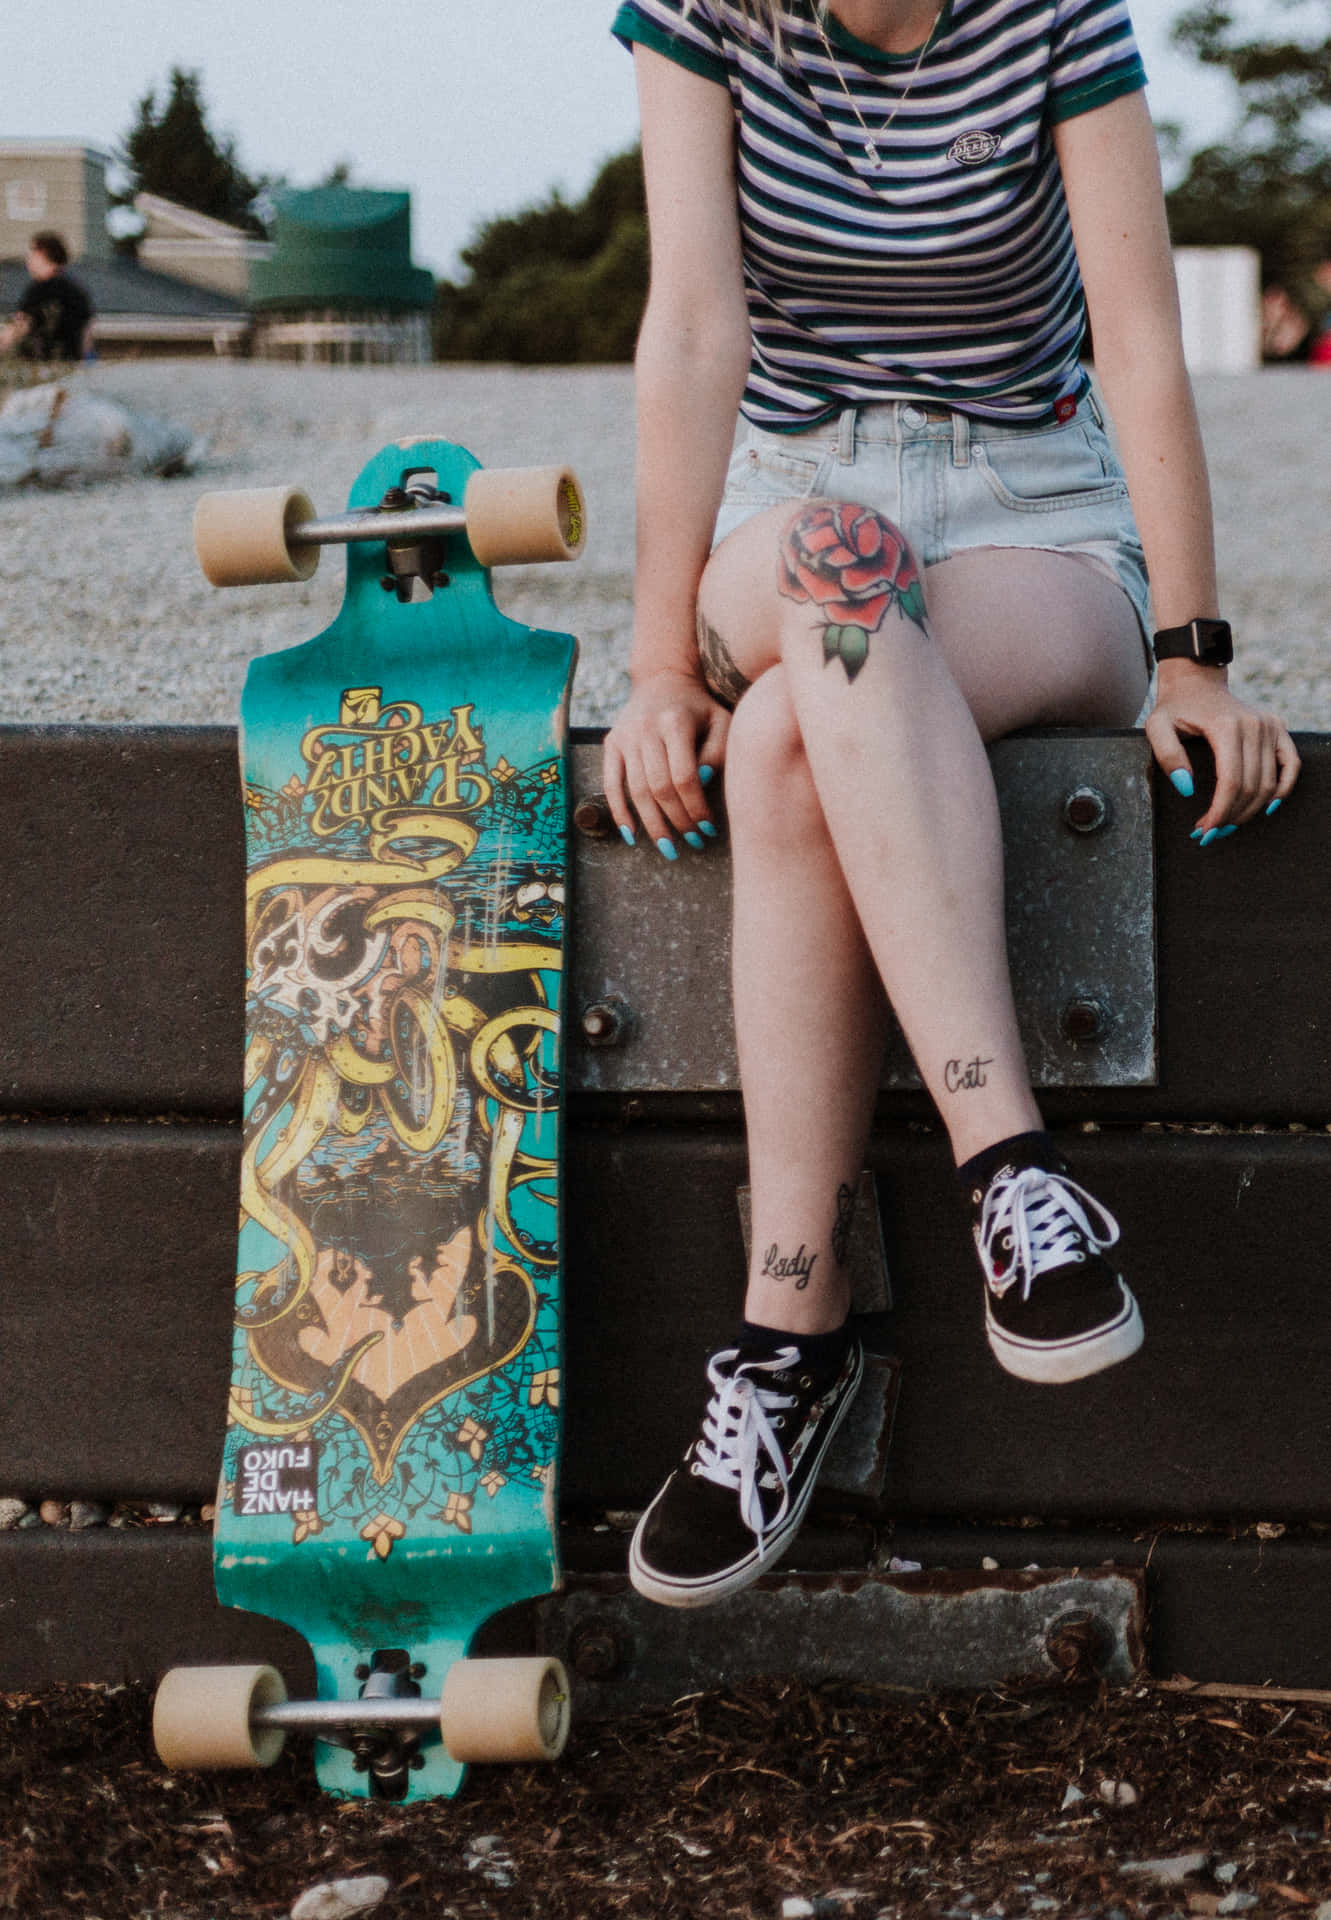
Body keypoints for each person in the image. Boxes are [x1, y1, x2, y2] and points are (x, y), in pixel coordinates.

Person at [602, 0, 1301, 1610]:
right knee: (829, 585)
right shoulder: (704, 21)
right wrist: (652, 665)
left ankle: (788, 1330)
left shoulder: (1056, 19)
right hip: (793, 506)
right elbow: (696, 325)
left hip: (1030, 512)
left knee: (785, 738)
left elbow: (1132, 336)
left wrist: (1191, 657)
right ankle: (1010, 1176)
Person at [0, 232, 95, 363]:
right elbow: (86, 339)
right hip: (70, 368)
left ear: (43, 254)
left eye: (32, 253)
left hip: (40, 367)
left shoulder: (39, 290)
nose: (28, 259)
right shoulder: (78, 292)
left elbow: (19, 327)